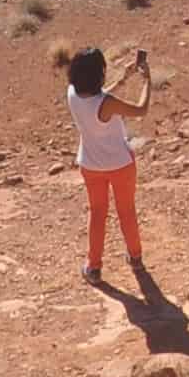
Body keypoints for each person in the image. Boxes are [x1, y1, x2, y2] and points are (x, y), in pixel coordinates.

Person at [65, 45, 154, 286]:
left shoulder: (72, 93)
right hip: (120, 165)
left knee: (97, 214)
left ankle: (93, 267)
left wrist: (124, 78)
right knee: (126, 211)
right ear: (99, 73)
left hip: (91, 165)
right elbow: (141, 110)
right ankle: (135, 258)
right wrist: (147, 82)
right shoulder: (107, 102)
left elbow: (98, 99)